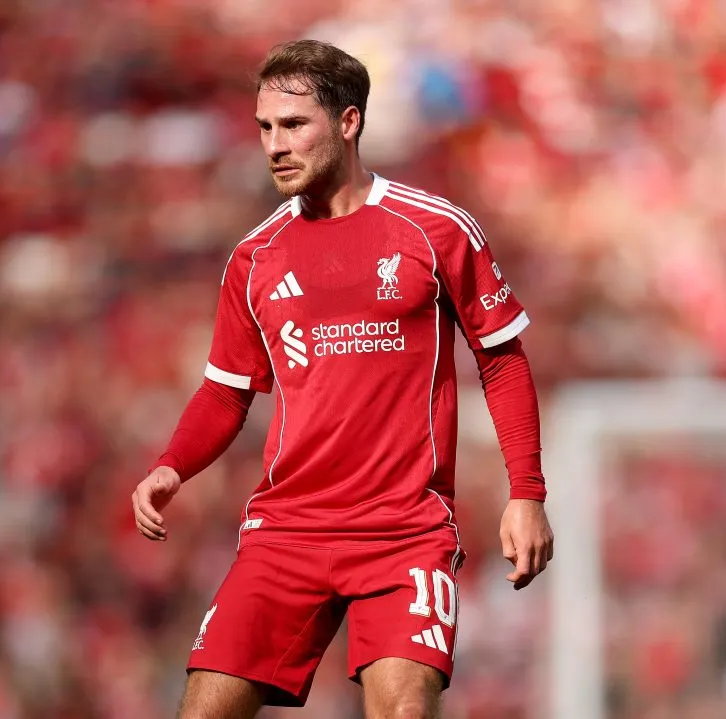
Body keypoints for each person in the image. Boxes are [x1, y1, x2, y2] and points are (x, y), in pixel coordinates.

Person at [131, 39, 554, 719]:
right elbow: (226, 388)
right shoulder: (254, 257)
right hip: (286, 531)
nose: (275, 144)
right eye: (265, 127)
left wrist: (525, 492)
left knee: (405, 710)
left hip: (404, 530)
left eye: (294, 125)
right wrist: (172, 465)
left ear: (349, 122)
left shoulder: (435, 230)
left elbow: (502, 358)